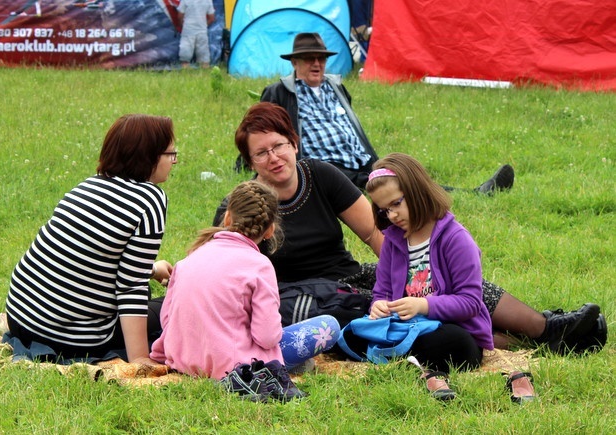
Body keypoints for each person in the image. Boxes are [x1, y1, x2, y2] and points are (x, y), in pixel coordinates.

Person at [215, 102, 606, 357]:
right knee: (403, 318)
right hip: (301, 295)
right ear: (249, 160)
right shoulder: (242, 204)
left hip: (348, 272)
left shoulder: (320, 175)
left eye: (279, 145)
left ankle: (549, 326)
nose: (274, 157)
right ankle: (530, 343)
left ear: (294, 143)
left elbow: (372, 234)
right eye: (261, 152)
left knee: (440, 285)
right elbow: (222, 262)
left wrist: (417, 266)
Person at [5, 114, 176, 365]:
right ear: (149, 156)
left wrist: (151, 269)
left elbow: (90, 259)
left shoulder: (89, 185)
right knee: (173, 304)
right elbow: (130, 287)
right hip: (66, 336)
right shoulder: (150, 199)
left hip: (21, 317)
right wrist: (139, 358)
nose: (174, 161)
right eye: (171, 154)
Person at [260, 32, 515, 193]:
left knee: (402, 169)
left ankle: (472, 191)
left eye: (321, 59)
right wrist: (250, 163)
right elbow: (262, 132)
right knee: (390, 184)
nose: (317, 64)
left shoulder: (335, 87)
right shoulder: (280, 92)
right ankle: (473, 193)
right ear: (294, 62)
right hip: (325, 167)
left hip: (360, 160)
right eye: (309, 59)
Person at [151, 180, 339, 386]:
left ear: (228, 216)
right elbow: (267, 337)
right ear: (270, 231)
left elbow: (167, 320)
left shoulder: (189, 259)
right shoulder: (259, 265)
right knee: (328, 326)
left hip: (182, 360)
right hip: (235, 367)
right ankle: (288, 365)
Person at [365, 153, 494, 399]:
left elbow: (470, 302)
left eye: (396, 204)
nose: (391, 215)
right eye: (384, 211)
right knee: (349, 331)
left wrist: (423, 305)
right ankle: (407, 358)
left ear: (417, 191)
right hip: (408, 328)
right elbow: (381, 291)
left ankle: (401, 357)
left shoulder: (456, 239)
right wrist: (378, 306)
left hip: (454, 330)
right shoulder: (393, 240)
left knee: (452, 342)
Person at [177, 0, 215, 68]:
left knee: (185, 57)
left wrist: (182, 25)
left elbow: (180, 16)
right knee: (204, 59)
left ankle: (185, 73)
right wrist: (204, 26)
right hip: (202, 31)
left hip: (188, 30)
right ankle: (204, 74)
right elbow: (211, 18)